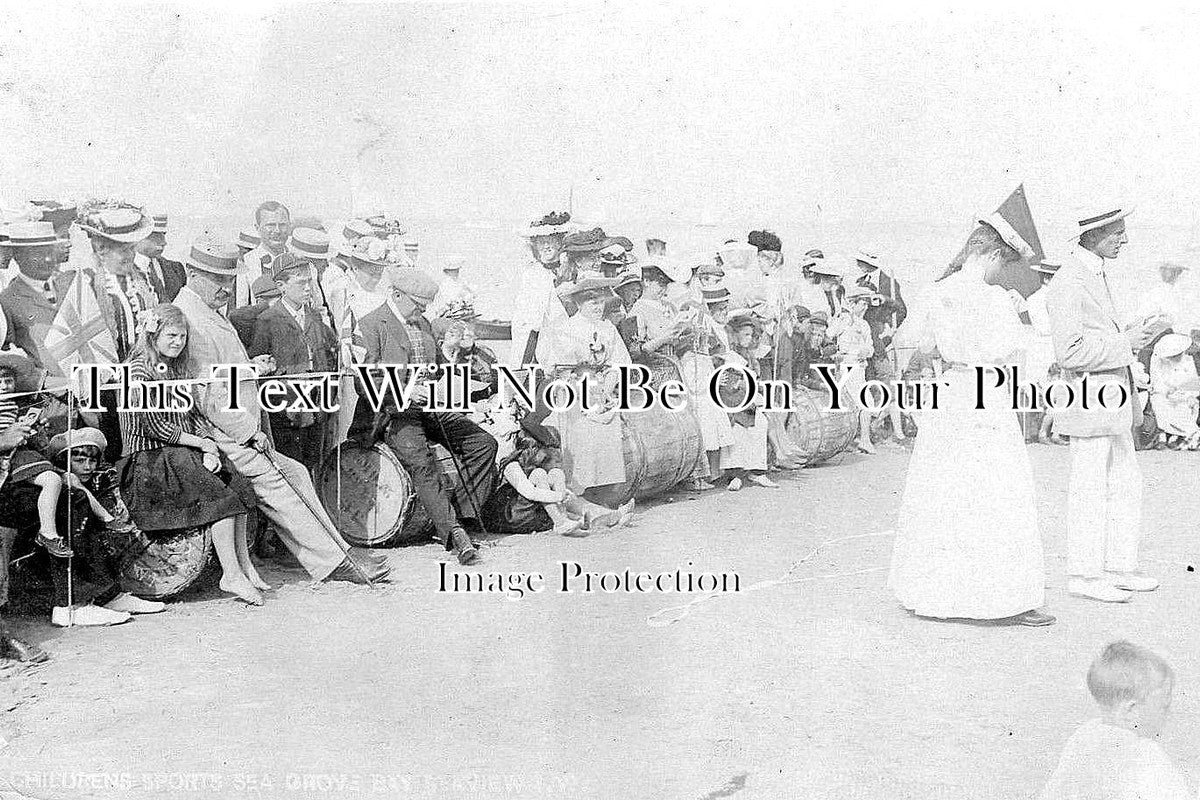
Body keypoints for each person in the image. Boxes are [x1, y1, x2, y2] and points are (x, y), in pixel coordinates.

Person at [173, 235, 388, 585]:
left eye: (229, 278)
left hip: (239, 425)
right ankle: (335, 563)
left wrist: (251, 367)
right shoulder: (191, 319)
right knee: (280, 479)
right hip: (221, 432)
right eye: (217, 278)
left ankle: (336, 553)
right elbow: (207, 394)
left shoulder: (207, 312)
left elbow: (224, 371)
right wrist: (247, 432)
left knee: (297, 472)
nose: (226, 286)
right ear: (192, 274)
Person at [889, 221, 1053, 627]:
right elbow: (1019, 357)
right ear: (994, 255)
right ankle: (999, 598)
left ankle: (935, 592)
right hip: (987, 395)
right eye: (1004, 264)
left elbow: (922, 350)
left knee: (944, 491)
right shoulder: (995, 299)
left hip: (951, 394)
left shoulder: (938, 291)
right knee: (998, 492)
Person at [1046, 204, 1161, 603]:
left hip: (1111, 402)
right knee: (1090, 488)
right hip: (1089, 400)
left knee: (1124, 485)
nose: (1124, 240)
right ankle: (1083, 574)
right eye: (1117, 233)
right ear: (1093, 235)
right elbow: (1069, 352)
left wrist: (1129, 337)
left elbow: (1096, 337)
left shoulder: (1094, 275)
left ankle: (1117, 567)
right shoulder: (1069, 281)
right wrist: (1126, 344)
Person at [117, 302, 265, 604]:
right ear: (153, 335)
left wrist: (207, 440)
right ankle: (231, 574)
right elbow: (154, 426)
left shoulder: (173, 369)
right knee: (218, 497)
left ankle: (243, 563)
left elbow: (192, 415)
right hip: (148, 459)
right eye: (171, 335)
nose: (178, 342)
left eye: (182, 336)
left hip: (178, 451)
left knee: (235, 482)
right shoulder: (138, 372)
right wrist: (203, 445)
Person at [355, 262, 498, 562]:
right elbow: (364, 381)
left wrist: (470, 386)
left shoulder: (423, 325)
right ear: (396, 295)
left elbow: (440, 369)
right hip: (393, 413)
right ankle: (455, 534)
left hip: (428, 407)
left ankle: (456, 516)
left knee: (484, 444)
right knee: (423, 463)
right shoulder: (370, 324)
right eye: (418, 306)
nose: (422, 312)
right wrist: (407, 391)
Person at [1039, 641, 1191, 800]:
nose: (1168, 714)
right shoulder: (1145, 755)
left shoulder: (1083, 736)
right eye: (1164, 707)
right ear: (1131, 710)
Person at [46, 428, 167, 617]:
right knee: (77, 506)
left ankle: (109, 596)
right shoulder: (59, 479)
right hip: (47, 543)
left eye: (92, 460)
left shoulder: (93, 478)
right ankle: (79, 604)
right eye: (79, 460)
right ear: (64, 461)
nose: (88, 467)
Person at [249, 254, 337, 472]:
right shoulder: (267, 320)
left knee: (316, 464)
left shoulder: (316, 319)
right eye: (301, 283)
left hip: (317, 408)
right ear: (281, 286)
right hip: (286, 413)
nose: (308, 288)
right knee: (292, 467)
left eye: (310, 281)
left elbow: (328, 359)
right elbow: (260, 368)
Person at [0, 221, 73, 370]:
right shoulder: (6, 301)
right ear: (17, 256)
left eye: (50, 252)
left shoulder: (71, 287)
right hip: (46, 389)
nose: (48, 259)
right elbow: (7, 358)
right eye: (38, 254)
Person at [512, 211, 575, 365]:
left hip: (562, 337)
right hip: (533, 335)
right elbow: (524, 312)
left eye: (551, 241)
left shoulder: (570, 271)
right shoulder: (532, 273)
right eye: (541, 242)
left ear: (560, 243)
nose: (546, 246)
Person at [829, 284, 879, 454]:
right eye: (862, 304)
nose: (865, 307)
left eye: (866, 304)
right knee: (865, 402)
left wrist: (866, 351)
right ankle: (864, 440)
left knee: (857, 404)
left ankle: (858, 439)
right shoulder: (845, 320)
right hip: (847, 367)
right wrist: (841, 318)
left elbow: (870, 347)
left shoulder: (864, 324)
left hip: (860, 368)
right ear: (853, 303)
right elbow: (830, 335)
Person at [235, 200, 291, 308]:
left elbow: (318, 307)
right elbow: (241, 309)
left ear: (289, 226)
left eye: (282, 225)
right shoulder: (247, 262)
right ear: (257, 227)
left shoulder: (300, 260)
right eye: (270, 225)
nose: (277, 231)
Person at [1148, 333, 1200, 449]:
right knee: (1158, 402)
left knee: (1186, 406)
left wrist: (1189, 395)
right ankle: (1166, 434)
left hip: (1183, 395)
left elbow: (1191, 381)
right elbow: (1157, 381)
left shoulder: (1188, 360)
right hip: (1163, 393)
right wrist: (1166, 389)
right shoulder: (1157, 359)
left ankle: (1187, 435)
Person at [134, 212, 187, 302]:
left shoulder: (176, 269)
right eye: (155, 236)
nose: (164, 242)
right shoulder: (121, 271)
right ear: (137, 236)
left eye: (163, 234)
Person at [1136, 259, 1191, 334]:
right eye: (1167, 270)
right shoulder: (1154, 293)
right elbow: (1143, 318)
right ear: (1161, 271)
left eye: (1177, 271)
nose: (1174, 273)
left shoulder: (1181, 293)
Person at [228, 276, 282, 349]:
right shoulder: (252, 317)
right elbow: (234, 316)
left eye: (279, 297)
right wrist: (268, 305)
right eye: (270, 297)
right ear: (259, 300)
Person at [427, 254, 476, 320]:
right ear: (447, 271)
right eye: (453, 270)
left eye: (456, 270)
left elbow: (471, 294)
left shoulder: (460, 282)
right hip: (448, 316)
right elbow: (441, 305)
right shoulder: (444, 284)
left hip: (461, 314)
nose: (456, 272)